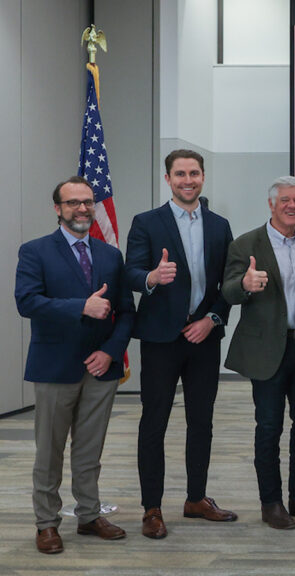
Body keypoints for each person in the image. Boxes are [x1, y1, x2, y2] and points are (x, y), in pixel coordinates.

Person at [15, 176, 135, 554]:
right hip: (55, 368)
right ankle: (47, 524)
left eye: (87, 202)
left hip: (100, 368)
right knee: (49, 452)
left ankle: (88, 515)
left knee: (90, 450)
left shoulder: (110, 255)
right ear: (58, 209)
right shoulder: (35, 251)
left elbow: (127, 313)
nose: (82, 209)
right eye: (72, 203)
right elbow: (27, 302)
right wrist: (80, 306)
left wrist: (111, 352)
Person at [125, 149, 235, 539]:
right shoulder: (147, 223)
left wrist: (212, 319)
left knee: (201, 422)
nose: (187, 180)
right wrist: (152, 277)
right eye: (180, 174)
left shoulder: (220, 226)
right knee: (154, 423)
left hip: (204, 337)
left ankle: (196, 498)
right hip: (160, 339)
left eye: (194, 173)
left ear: (203, 177)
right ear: (168, 179)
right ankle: (151, 508)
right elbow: (132, 273)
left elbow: (229, 285)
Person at [222, 176, 295, 530]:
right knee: (269, 428)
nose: (292, 206)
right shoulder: (247, 243)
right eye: (285, 201)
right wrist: (245, 285)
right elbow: (229, 291)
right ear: (271, 204)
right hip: (268, 352)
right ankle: (271, 501)